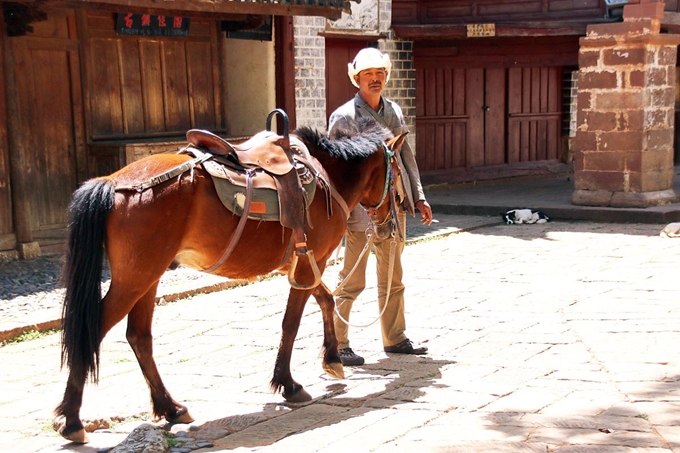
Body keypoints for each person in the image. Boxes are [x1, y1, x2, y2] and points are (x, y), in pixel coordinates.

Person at [328, 47, 433, 366]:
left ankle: (395, 337)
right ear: (356, 79)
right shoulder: (344, 116)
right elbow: (336, 168)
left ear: (386, 76)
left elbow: (405, 156)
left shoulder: (394, 113)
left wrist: (418, 196)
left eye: (380, 74)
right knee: (351, 279)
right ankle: (339, 343)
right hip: (361, 208)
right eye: (368, 75)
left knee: (393, 278)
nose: (375, 79)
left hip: (394, 203)